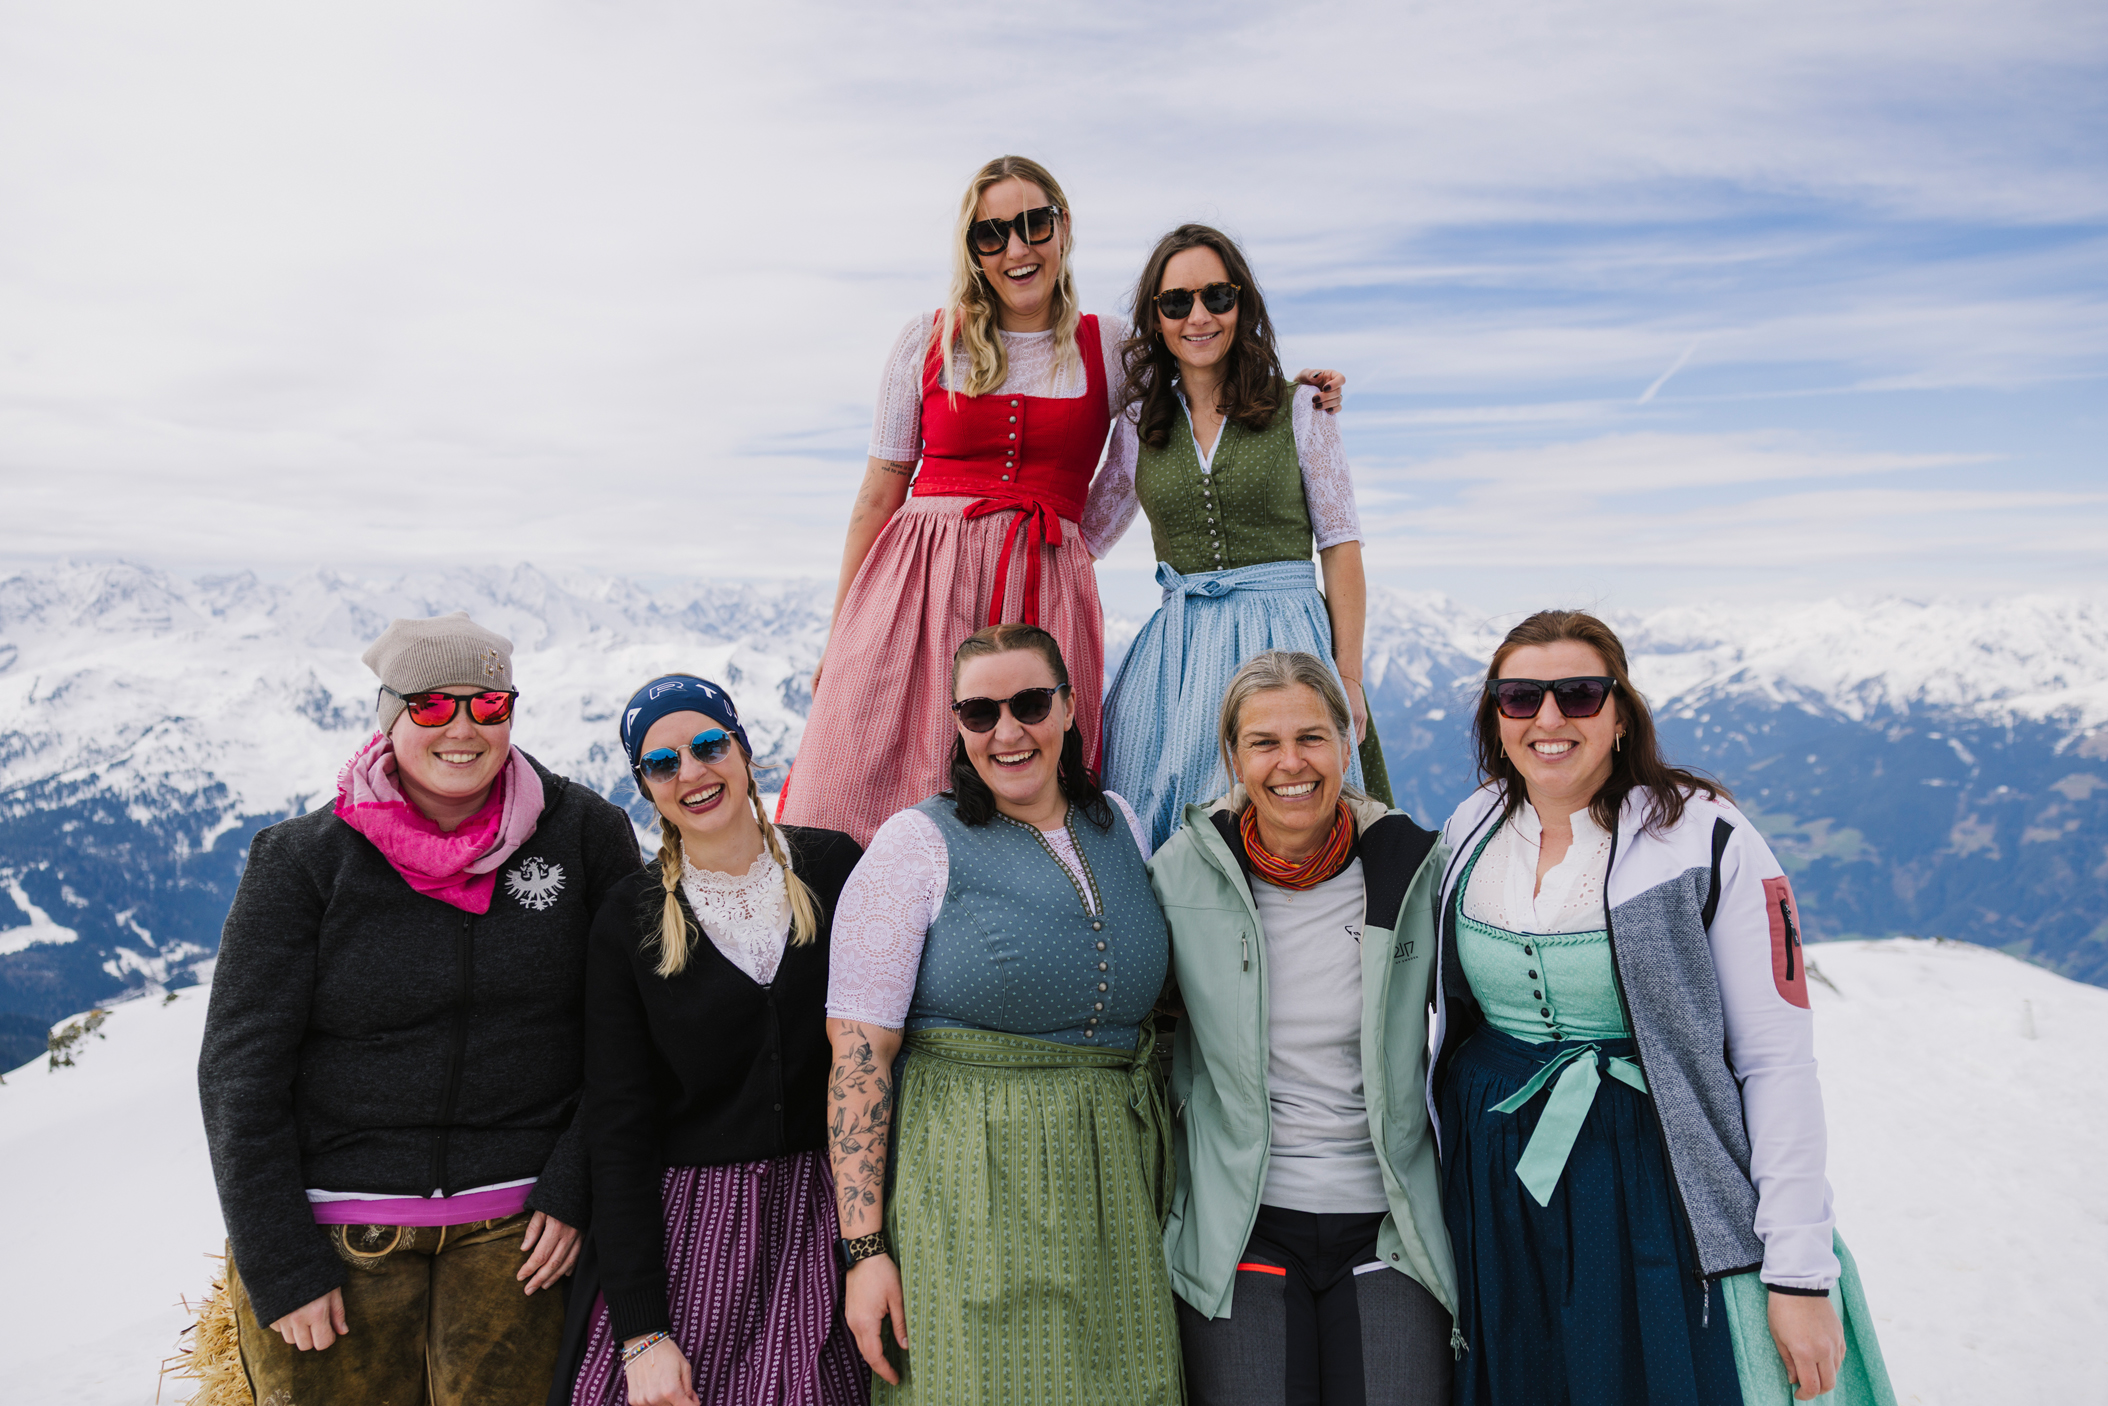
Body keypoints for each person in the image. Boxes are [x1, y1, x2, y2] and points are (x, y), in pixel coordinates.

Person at [781, 156, 1342, 847]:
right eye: (992, 234)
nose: (1016, 248)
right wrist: (841, 633)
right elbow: (877, 495)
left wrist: (1293, 393)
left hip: (1042, 590)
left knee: (1031, 790)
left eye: (1034, 224)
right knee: (860, 780)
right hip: (916, 591)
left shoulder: (1110, 346)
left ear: (1063, 227)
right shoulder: (925, 339)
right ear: (973, 249)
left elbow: (1175, 410)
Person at [1432, 610, 1896, 1405]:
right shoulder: (1471, 828)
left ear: (1620, 714)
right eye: (1521, 697)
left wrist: (1799, 1274)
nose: (1549, 718)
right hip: (1490, 1174)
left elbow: (1776, 1061)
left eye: (1579, 695)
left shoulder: (1704, 839)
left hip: (1649, 1170)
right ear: (1496, 718)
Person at [198, 611, 644, 1404]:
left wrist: (576, 1184)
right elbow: (239, 1073)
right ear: (390, 715)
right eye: (433, 705)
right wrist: (280, 1261)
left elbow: (631, 1030)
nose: (463, 729)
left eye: (489, 704)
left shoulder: (585, 836)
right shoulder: (302, 860)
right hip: (338, 1237)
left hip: (523, 1238)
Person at [823, 623, 1181, 1404]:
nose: (1008, 732)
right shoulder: (916, 845)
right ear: (958, 725)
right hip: (969, 1190)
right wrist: (865, 1252)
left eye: (1030, 704)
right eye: (980, 713)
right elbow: (858, 1057)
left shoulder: (1121, 822)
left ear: (1069, 707)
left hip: (1119, 1188)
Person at [1148, 650, 1456, 1405]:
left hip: (1387, 1223)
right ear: (1234, 758)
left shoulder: (1412, 868)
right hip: (1242, 1226)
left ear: (1347, 745)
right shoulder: (1183, 872)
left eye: (1312, 737)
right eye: (1264, 742)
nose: (1291, 763)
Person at [557, 674, 866, 1406]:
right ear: (645, 785)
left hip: (830, 1215)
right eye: (663, 763)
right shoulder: (629, 920)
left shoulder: (834, 868)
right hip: (698, 1233)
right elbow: (619, 1126)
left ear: (744, 750)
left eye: (707, 746)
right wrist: (642, 1331)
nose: (691, 773)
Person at [1087, 224, 1390, 850]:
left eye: (1216, 296)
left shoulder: (1302, 408)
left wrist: (1350, 678)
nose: (1198, 317)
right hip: (1176, 658)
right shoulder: (1141, 419)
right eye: (1177, 302)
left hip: (1289, 640)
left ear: (1241, 303)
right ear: (1156, 317)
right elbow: (1089, 532)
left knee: (1297, 815)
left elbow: (1340, 545)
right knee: (1164, 834)